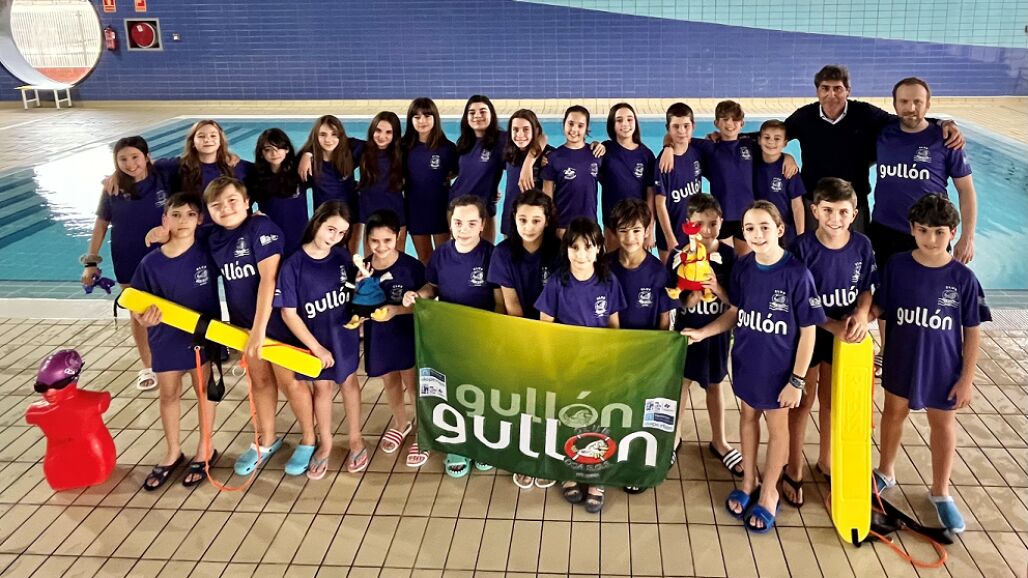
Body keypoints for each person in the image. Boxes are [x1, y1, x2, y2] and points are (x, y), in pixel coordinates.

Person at [682, 201, 825, 533]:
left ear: (780, 230)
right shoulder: (744, 267)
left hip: (780, 372)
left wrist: (797, 380)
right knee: (747, 419)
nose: (757, 234)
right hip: (747, 363)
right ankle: (749, 481)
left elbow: (809, 332)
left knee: (777, 430)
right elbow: (736, 312)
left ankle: (770, 491)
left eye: (764, 227)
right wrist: (703, 332)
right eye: (749, 228)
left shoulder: (797, 274)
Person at [869, 194, 990, 533]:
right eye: (923, 230)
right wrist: (863, 316)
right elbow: (880, 306)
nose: (931, 239)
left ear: (953, 233)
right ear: (912, 229)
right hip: (902, 359)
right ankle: (885, 471)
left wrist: (966, 379)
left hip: (943, 367)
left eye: (939, 232)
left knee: (943, 424)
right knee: (893, 414)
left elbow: (972, 332)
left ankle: (941, 491)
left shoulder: (963, 279)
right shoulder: (897, 266)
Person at [870, 77, 979, 375]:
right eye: (904, 101)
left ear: (928, 104)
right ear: (894, 105)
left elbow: (966, 190)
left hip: (930, 233)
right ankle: (889, 351)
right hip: (885, 230)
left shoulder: (945, 140)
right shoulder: (883, 134)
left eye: (918, 101)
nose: (911, 107)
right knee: (886, 293)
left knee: (933, 294)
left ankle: (933, 352)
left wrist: (967, 237)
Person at [782, 178, 876, 507]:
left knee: (832, 401)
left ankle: (826, 460)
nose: (835, 219)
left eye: (842, 212)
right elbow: (796, 301)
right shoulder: (802, 248)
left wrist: (861, 314)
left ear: (854, 214)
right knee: (803, 401)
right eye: (828, 211)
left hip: (844, 332)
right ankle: (793, 466)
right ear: (814, 211)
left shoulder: (862, 245)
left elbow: (867, 288)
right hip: (809, 332)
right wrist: (832, 325)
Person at [782, 65, 963, 232]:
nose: (831, 94)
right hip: (814, 202)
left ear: (848, 91)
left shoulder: (864, 114)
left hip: (854, 203)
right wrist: (786, 156)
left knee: (857, 253)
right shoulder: (805, 116)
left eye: (837, 88)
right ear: (817, 91)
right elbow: (774, 136)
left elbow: (902, 120)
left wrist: (941, 123)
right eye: (825, 88)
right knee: (809, 250)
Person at [403, 195, 503, 477]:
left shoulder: (491, 255)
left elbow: (499, 302)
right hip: (450, 337)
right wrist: (417, 295)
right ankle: (457, 444)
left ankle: (484, 441)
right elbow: (431, 289)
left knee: (483, 391)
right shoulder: (441, 255)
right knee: (455, 391)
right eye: (458, 222)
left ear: (482, 225)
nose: (463, 229)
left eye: (471, 223)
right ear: (450, 223)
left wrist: (493, 334)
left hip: (482, 337)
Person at [535, 217, 626, 513]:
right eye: (574, 247)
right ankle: (570, 472)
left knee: (600, 420)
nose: (581, 254)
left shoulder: (608, 282)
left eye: (588, 247)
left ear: (599, 248)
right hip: (567, 365)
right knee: (569, 417)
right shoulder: (557, 282)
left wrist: (612, 362)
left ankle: (597, 477)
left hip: (599, 366)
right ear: (567, 250)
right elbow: (545, 328)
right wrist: (550, 366)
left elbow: (614, 327)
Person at [131, 192, 220, 489]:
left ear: (200, 219)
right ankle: (173, 451)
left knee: (203, 390)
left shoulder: (207, 252)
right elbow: (137, 304)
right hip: (164, 338)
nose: (183, 221)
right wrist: (144, 320)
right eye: (176, 215)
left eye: (191, 214)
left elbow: (227, 230)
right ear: (164, 219)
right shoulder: (150, 263)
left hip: (200, 337)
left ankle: (205, 448)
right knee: (169, 394)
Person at [277, 201, 365, 478]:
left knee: (349, 383)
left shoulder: (341, 257)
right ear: (317, 223)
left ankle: (355, 439)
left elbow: (353, 293)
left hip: (343, 336)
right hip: (316, 341)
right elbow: (288, 314)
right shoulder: (293, 265)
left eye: (341, 233)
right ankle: (325, 442)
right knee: (322, 390)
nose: (334, 237)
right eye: (330, 229)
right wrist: (315, 348)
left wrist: (362, 284)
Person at [84, 136, 171, 391]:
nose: (130, 164)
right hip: (128, 256)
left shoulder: (164, 177)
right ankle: (148, 365)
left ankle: (175, 356)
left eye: (135, 157)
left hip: (165, 255)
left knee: (172, 307)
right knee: (138, 312)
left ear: (147, 157)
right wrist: (91, 261)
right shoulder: (113, 188)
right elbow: (101, 224)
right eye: (123, 159)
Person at [488, 189, 561, 489]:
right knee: (523, 398)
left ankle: (550, 452)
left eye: (536, 220)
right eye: (522, 219)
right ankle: (525, 453)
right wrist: (527, 345)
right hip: (520, 334)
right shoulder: (503, 253)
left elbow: (563, 301)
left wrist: (545, 343)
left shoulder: (559, 252)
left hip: (553, 335)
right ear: (513, 219)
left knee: (552, 399)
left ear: (547, 221)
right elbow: (511, 305)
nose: (528, 226)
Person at [668, 194, 742, 479]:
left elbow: (736, 303)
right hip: (686, 333)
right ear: (689, 224)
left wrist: (716, 288)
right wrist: (690, 297)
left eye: (713, 223)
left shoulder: (731, 257)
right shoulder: (679, 255)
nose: (707, 230)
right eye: (699, 224)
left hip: (717, 334)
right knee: (681, 385)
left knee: (715, 385)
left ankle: (719, 440)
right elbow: (673, 298)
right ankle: (674, 436)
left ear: (721, 222)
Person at [606, 198, 675, 493]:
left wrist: (657, 357)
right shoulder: (605, 265)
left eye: (636, 230)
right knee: (614, 406)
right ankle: (611, 454)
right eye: (623, 231)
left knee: (640, 407)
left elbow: (664, 319)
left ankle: (638, 459)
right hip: (613, 351)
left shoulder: (658, 271)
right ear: (614, 232)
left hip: (646, 354)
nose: (630, 238)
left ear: (647, 231)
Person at [362, 210, 427, 467]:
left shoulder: (411, 268)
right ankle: (401, 423)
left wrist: (396, 311)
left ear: (398, 236)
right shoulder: (362, 269)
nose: (381, 247)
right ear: (367, 239)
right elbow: (354, 305)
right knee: (389, 382)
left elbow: (425, 306)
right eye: (375, 241)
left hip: (405, 335)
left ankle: (423, 432)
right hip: (378, 337)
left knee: (413, 385)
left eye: (387, 240)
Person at [298, 115, 365, 254]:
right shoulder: (310, 163)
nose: (328, 140)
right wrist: (307, 153)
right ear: (316, 136)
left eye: (334, 134)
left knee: (351, 257)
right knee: (327, 255)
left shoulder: (350, 151)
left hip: (352, 216)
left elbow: (375, 147)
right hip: (325, 218)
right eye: (323, 134)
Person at [402, 97, 458, 264]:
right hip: (415, 210)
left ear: (435, 118)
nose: (422, 121)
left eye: (427, 116)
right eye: (417, 117)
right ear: (410, 120)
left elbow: (458, 171)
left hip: (440, 209)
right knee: (424, 258)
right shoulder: (404, 147)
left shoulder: (447, 148)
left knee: (443, 258)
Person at [599, 103, 656, 251]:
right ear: (612, 125)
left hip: (638, 226)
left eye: (629, 119)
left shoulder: (646, 155)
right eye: (619, 120)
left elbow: (651, 195)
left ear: (635, 122)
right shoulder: (605, 150)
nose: (625, 124)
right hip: (612, 225)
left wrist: (650, 229)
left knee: (637, 264)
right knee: (612, 263)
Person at [450, 95, 507, 243]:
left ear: (491, 114)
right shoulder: (464, 142)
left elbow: (539, 138)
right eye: (472, 112)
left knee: (486, 253)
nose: (477, 116)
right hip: (457, 206)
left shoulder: (502, 140)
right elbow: (459, 172)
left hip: (484, 208)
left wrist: (529, 164)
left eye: (482, 111)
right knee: (460, 253)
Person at [542, 106, 604, 237]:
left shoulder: (596, 154)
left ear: (586, 129)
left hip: (590, 226)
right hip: (563, 227)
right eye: (570, 124)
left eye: (580, 126)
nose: (574, 129)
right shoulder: (553, 158)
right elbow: (547, 198)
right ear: (564, 124)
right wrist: (549, 226)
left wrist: (601, 145)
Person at [654, 103, 705, 263]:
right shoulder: (663, 162)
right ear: (668, 129)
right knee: (670, 277)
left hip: (693, 235)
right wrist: (670, 239)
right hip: (670, 236)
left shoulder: (697, 153)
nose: (682, 131)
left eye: (686, 126)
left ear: (693, 126)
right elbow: (660, 204)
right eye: (676, 126)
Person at [247, 128, 309, 255]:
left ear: (287, 149)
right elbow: (244, 205)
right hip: (272, 240)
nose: (274, 153)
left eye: (279, 148)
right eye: (268, 149)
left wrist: (308, 155)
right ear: (261, 153)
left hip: (300, 239)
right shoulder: (256, 178)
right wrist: (251, 219)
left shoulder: (299, 171)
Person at [358, 111, 407, 254]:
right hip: (370, 214)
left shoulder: (403, 153)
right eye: (378, 130)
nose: (382, 136)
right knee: (370, 261)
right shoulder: (362, 150)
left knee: (397, 261)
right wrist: (308, 154)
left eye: (388, 132)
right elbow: (334, 145)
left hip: (396, 215)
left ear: (395, 134)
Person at [500, 109, 551, 238]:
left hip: (535, 220)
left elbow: (544, 137)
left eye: (526, 129)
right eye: (515, 129)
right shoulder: (509, 152)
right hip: (511, 218)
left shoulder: (548, 155)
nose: (520, 134)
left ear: (536, 130)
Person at [755, 120, 806, 247]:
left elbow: (797, 206)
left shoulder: (789, 170)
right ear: (759, 140)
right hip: (759, 230)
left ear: (785, 143)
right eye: (767, 137)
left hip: (785, 233)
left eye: (777, 139)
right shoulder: (751, 165)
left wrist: (801, 237)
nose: (771, 142)